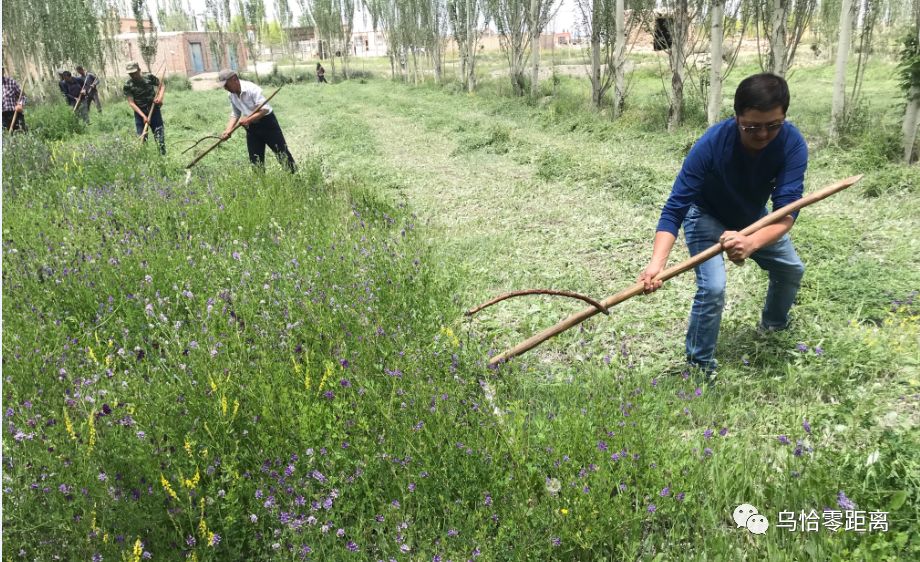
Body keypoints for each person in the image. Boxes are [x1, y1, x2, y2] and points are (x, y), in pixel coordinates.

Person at [639, 73, 808, 376]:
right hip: (706, 215)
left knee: (790, 268)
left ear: (784, 117)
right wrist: (656, 264)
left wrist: (752, 242)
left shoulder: (791, 143)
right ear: (737, 117)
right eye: (752, 127)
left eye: (773, 125)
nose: (763, 135)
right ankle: (699, 365)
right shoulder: (712, 143)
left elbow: (786, 212)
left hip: (756, 217)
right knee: (713, 287)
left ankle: (774, 327)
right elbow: (675, 207)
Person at [218, 69, 296, 173]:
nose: (225, 88)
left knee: (282, 153)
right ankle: (261, 184)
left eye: (226, 85)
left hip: (267, 124)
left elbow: (264, 109)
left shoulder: (252, 89)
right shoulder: (231, 95)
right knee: (255, 160)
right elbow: (236, 113)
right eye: (224, 86)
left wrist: (248, 119)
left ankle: (295, 177)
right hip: (251, 128)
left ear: (235, 79)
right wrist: (228, 130)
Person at [123, 61, 165, 154]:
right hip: (139, 113)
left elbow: (161, 85)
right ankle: (145, 159)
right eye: (130, 74)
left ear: (139, 70)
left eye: (134, 73)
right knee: (142, 138)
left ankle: (163, 158)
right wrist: (143, 116)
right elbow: (131, 103)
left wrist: (160, 98)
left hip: (154, 110)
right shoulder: (128, 84)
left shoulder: (148, 77)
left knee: (159, 137)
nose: (133, 75)